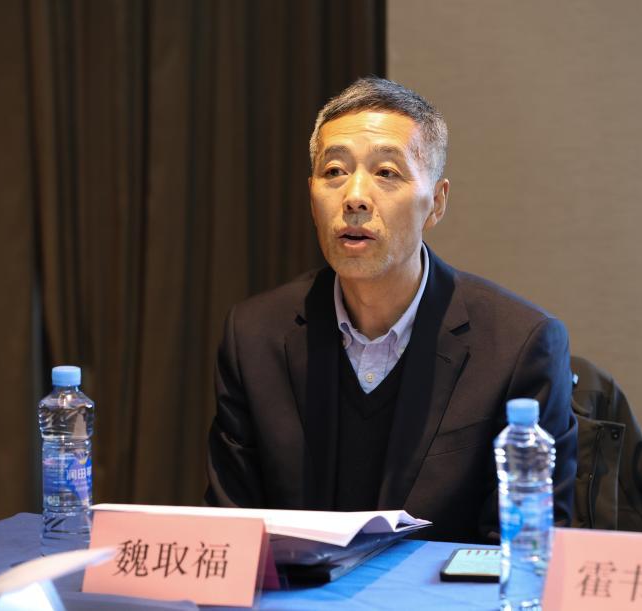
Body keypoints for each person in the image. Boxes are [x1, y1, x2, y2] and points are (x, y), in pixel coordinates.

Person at [205, 77, 577, 543]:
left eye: (386, 173)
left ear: (436, 203)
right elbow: (231, 532)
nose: (354, 197)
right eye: (334, 171)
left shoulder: (519, 346)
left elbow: (525, 549)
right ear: (311, 196)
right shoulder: (254, 336)